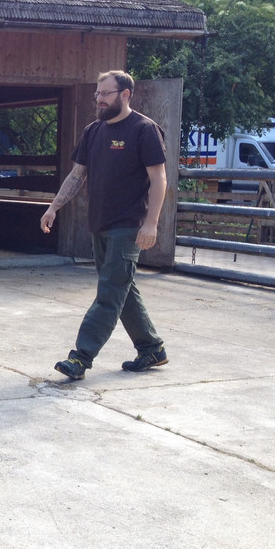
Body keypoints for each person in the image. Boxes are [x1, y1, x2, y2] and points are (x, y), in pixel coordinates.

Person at [40, 70, 169, 380]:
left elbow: (159, 178)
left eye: (105, 94)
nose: (98, 99)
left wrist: (150, 224)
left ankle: (81, 357)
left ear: (125, 95)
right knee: (122, 288)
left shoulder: (144, 130)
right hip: (100, 224)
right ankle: (151, 348)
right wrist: (54, 207)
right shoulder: (93, 131)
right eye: (97, 93)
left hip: (129, 226)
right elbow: (77, 174)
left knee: (109, 292)